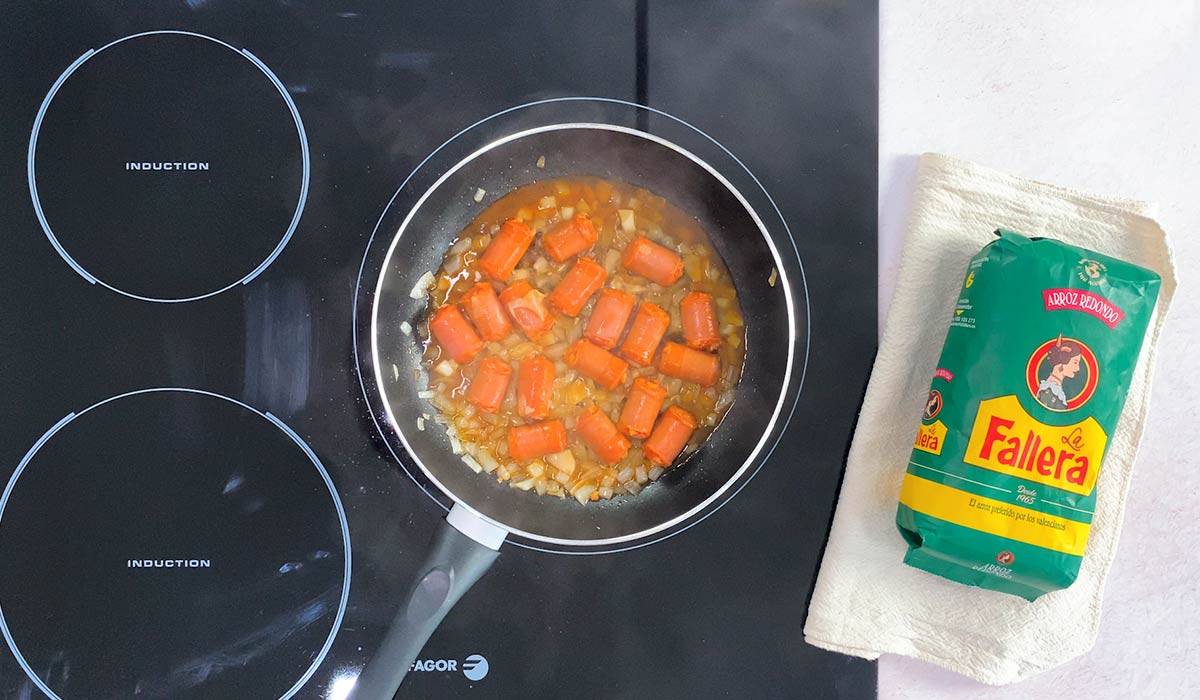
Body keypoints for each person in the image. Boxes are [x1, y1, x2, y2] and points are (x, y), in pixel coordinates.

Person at [1037, 336, 1083, 410]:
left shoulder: (1055, 389)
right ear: (1062, 360)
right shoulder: (1049, 390)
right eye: (1075, 362)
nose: (1078, 368)